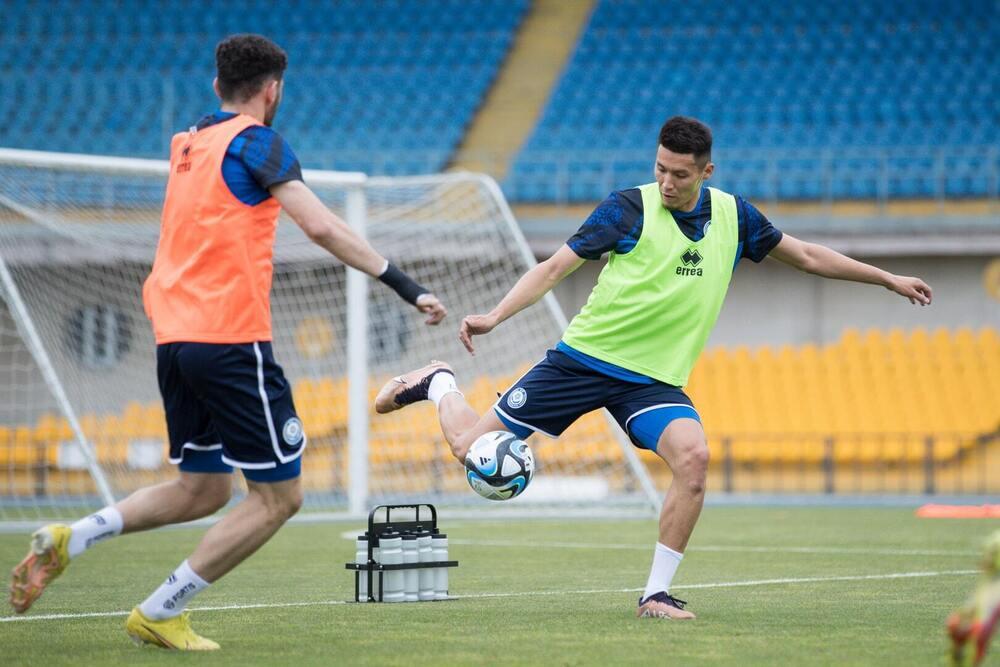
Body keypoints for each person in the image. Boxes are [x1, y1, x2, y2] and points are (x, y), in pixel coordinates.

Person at [374, 115, 932, 621]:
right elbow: (553, 269)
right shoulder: (626, 208)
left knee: (695, 457)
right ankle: (438, 382)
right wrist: (494, 315)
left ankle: (655, 595)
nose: (667, 183)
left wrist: (886, 278)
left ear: (706, 171)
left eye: (680, 175)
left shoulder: (736, 218)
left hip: (653, 381)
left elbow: (808, 256)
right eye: (660, 169)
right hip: (582, 361)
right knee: (472, 455)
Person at [8, 34, 446, 650]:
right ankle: (161, 609)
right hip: (229, 340)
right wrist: (404, 284)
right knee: (279, 498)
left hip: (174, 340)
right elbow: (319, 225)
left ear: (217, 86)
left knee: (204, 488)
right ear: (273, 90)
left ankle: (71, 538)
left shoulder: (188, 144)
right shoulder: (257, 142)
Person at [948, 530, 1000, 666]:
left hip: (992, 588)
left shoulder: (995, 539)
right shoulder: (995, 539)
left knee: (973, 629)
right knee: (959, 625)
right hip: (992, 586)